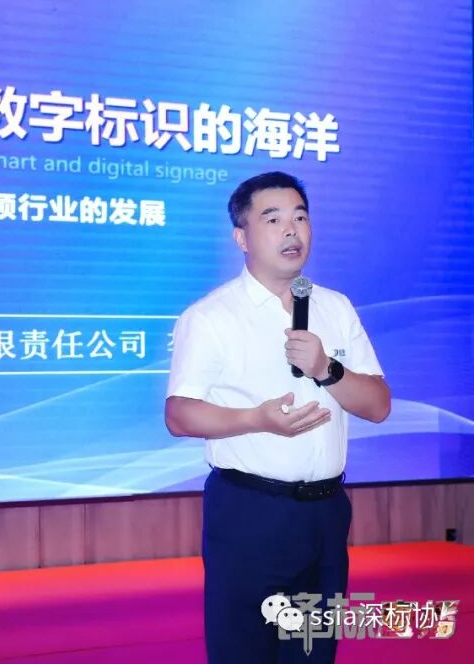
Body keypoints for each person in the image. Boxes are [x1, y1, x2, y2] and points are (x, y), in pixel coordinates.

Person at [165, 171, 391, 663]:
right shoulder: (212, 317)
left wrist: (326, 369)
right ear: (242, 238)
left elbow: (377, 405)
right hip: (251, 512)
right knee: (245, 651)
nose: (292, 231)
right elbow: (179, 415)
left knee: (313, 651)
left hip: (326, 513)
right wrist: (257, 419)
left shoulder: (334, 307)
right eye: (273, 219)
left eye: (300, 218)